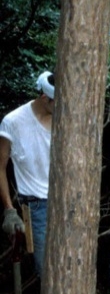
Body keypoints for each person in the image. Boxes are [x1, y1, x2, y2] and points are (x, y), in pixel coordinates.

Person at [1, 70, 55, 277]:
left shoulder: (66, 120)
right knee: (48, 273)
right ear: (44, 98)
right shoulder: (13, 122)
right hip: (36, 207)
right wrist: (9, 210)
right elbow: (0, 166)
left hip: (66, 202)